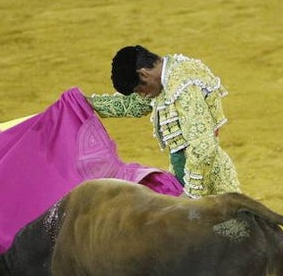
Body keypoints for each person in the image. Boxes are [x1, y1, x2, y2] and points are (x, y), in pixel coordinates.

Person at [86, 45, 241, 198]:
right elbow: (134, 105)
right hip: (184, 174)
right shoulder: (166, 78)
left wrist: (192, 194)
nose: (142, 96)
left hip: (208, 182)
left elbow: (204, 146)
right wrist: (90, 103)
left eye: (139, 90)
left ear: (144, 74)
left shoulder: (184, 86)